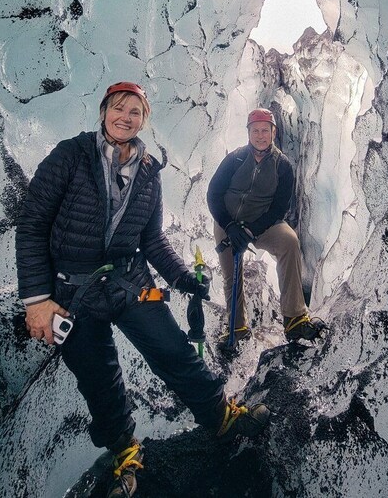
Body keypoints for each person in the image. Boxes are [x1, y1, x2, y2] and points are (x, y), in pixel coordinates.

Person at [15, 82, 270, 498]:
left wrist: (181, 277)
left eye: (135, 112)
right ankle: (125, 451)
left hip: (128, 281)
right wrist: (37, 300)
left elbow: (151, 241)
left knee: (173, 351)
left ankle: (221, 417)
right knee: (99, 377)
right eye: (119, 108)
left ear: (143, 120)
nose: (125, 117)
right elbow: (31, 225)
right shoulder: (70, 155)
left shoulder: (149, 173)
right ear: (104, 112)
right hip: (71, 292)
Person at [207, 108, 326, 351]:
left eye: (265, 130)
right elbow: (214, 194)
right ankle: (237, 327)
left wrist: (250, 231)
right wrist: (230, 227)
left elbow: (278, 208)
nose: (260, 136)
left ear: (274, 132)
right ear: (248, 133)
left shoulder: (283, 166)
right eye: (255, 131)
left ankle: (294, 318)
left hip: (262, 225)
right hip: (227, 222)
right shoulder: (235, 159)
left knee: (289, 242)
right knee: (231, 274)